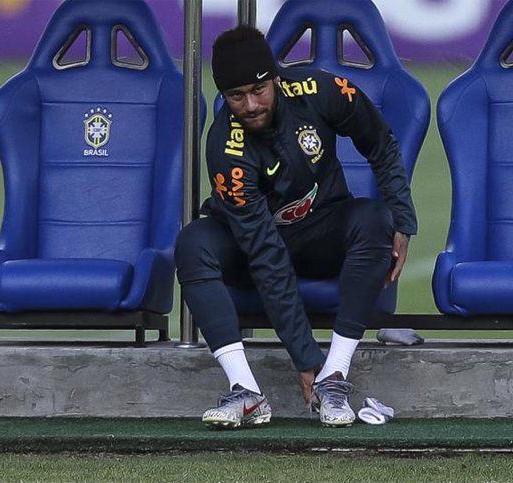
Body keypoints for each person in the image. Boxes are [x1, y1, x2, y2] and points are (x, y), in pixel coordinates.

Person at [175, 26, 417, 428]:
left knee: (374, 218)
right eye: (236, 96)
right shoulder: (225, 149)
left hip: (321, 230)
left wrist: (403, 220)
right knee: (193, 243)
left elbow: (381, 142)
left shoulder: (321, 90)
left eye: (258, 90)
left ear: (274, 78)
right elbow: (266, 256)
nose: (251, 105)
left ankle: (334, 377)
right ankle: (246, 391)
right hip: (251, 245)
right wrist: (304, 358)